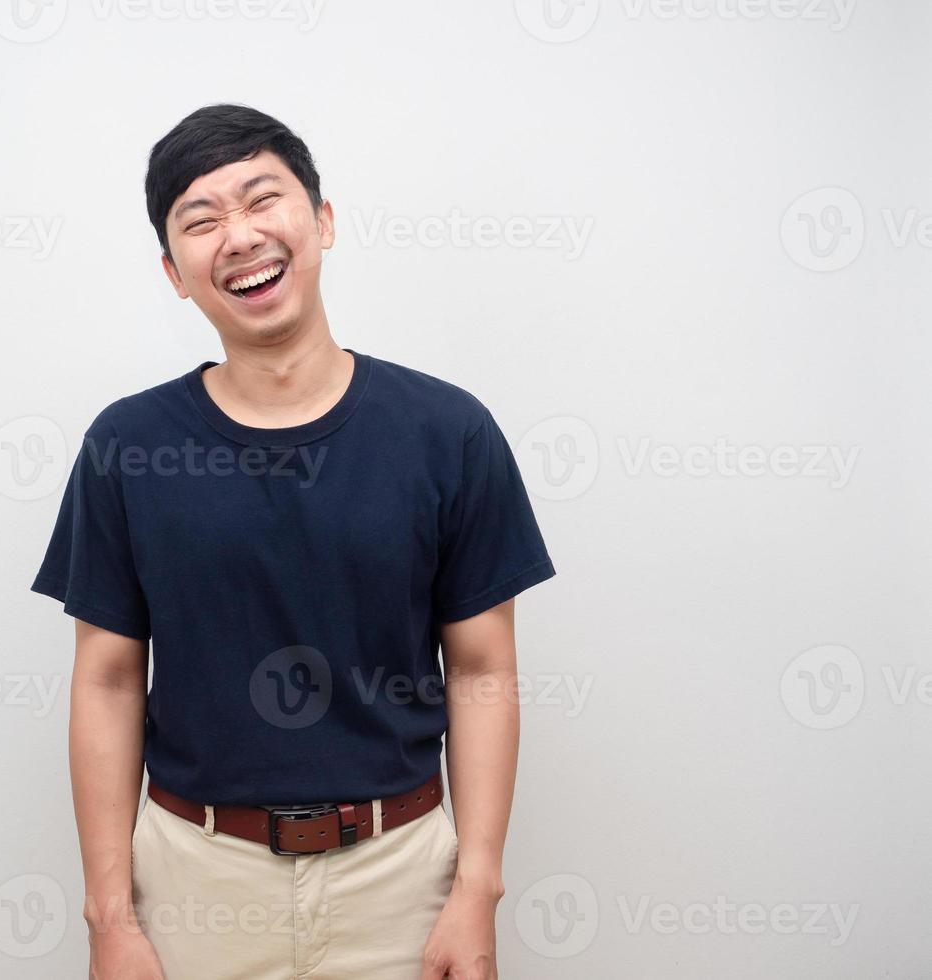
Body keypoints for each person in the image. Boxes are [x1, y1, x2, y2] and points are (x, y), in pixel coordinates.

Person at [30, 103, 556, 980]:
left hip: (399, 877)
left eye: (260, 199)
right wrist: (110, 919)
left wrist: (475, 892)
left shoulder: (446, 431)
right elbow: (108, 678)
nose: (237, 236)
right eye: (201, 220)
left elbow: (481, 668)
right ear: (174, 272)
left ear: (321, 220)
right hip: (194, 878)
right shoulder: (126, 445)